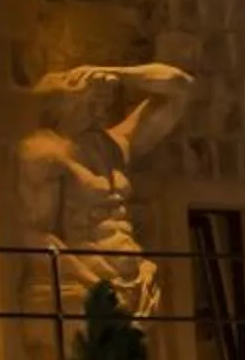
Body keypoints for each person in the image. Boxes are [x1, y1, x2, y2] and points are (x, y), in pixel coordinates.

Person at [19, 61, 194, 317]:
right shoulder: (46, 154)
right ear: (69, 103)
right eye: (93, 102)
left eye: (106, 102)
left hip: (133, 288)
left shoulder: (115, 145)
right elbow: (34, 236)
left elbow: (180, 86)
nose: (101, 111)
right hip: (84, 288)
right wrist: (93, 284)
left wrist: (120, 74)